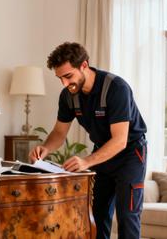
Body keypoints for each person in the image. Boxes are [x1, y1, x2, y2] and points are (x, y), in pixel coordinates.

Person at [30, 42, 148, 239]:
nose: (65, 84)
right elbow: (59, 133)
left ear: (84, 65)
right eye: (60, 78)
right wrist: (45, 148)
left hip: (130, 154)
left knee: (127, 217)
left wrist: (86, 162)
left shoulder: (116, 88)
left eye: (68, 76)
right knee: (95, 216)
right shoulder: (68, 95)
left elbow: (120, 140)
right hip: (102, 153)